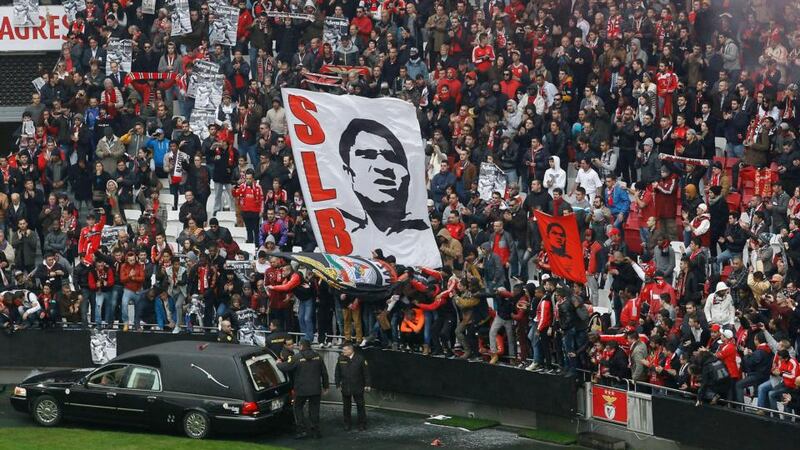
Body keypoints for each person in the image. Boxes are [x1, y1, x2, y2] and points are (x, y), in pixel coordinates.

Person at [277, 339, 329, 440]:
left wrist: (278, 363)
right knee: (314, 410)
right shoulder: (318, 356)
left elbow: (286, 367)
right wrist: (326, 386)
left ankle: (301, 431)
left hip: (301, 389)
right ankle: (315, 431)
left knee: (298, 408)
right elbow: (324, 373)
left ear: (301, 346)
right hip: (315, 389)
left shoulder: (297, 357)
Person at [334, 343, 372, 431]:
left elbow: (366, 373)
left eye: (345, 350)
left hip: (358, 386)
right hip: (346, 386)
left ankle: (362, 424)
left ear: (351, 350)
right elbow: (337, 372)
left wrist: (367, 384)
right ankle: (347, 423)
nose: (343, 351)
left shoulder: (360, 359)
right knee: (346, 407)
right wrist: (337, 384)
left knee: (360, 406)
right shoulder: (340, 359)